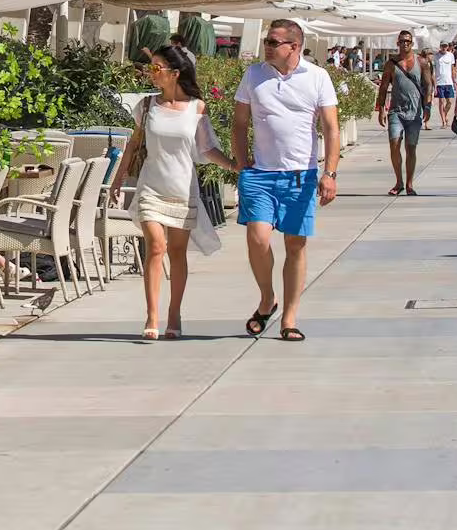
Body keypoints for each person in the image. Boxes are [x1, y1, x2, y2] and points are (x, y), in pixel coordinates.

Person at [110, 44, 235, 340]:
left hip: (181, 188)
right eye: (150, 67)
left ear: (175, 73)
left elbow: (206, 149)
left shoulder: (196, 108)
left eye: (157, 68)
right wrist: (118, 179)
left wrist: (233, 165)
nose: (150, 73)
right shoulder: (147, 105)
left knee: (177, 253)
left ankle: (174, 312)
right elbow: (133, 145)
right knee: (155, 247)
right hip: (151, 187)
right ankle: (152, 315)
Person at [232, 19, 341, 342]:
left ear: (294, 47)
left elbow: (332, 128)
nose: (267, 46)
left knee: (295, 245)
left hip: (300, 175)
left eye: (273, 42)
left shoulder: (318, 78)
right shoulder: (254, 75)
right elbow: (239, 122)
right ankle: (268, 298)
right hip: (261, 173)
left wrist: (330, 173)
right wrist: (241, 164)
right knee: (258, 237)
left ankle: (289, 318)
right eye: (267, 40)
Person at [376, 30, 431, 195]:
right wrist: (381, 109)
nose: (404, 44)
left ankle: (409, 183)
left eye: (407, 41)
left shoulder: (421, 62)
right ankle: (399, 181)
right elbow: (384, 87)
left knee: (411, 147)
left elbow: (428, 85)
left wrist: (427, 106)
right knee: (394, 145)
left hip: (415, 112)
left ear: (412, 44)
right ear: (397, 43)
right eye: (401, 41)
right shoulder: (391, 64)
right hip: (396, 111)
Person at [433, 41, 457, 131]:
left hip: (449, 82)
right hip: (440, 82)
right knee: (441, 102)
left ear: (447, 47)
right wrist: (434, 85)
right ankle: (443, 121)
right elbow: (434, 72)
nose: (444, 48)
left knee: (450, 102)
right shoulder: (436, 56)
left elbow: (452, 69)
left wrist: (454, 80)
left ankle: (445, 114)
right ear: (440, 46)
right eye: (442, 46)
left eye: (445, 46)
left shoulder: (450, 55)